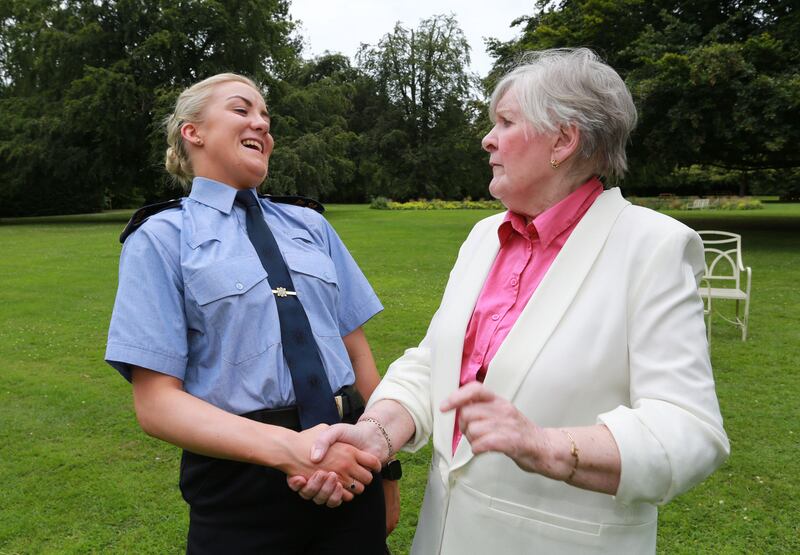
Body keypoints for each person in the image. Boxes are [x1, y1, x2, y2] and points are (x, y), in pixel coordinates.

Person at [291, 48, 730, 553]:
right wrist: (374, 434)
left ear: (563, 140)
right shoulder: (484, 236)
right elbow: (432, 365)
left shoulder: (652, 247)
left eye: (505, 122)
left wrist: (548, 447)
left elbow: (689, 429)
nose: (487, 139)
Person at [105, 73, 397, 554]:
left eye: (266, 117)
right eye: (243, 110)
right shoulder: (160, 239)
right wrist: (292, 453)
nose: (261, 123)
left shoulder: (311, 225)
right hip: (241, 490)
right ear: (192, 131)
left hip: (350, 465)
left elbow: (357, 352)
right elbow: (156, 404)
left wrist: (384, 466)